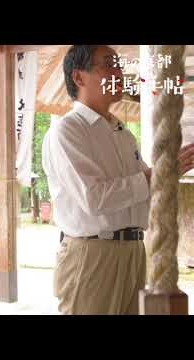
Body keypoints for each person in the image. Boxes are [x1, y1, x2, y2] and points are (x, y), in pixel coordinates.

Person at [42, 45, 194, 315]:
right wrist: (159, 173)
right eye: (109, 64)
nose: (119, 72)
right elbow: (95, 198)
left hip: (133, 252)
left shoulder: (122, 134)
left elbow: (145, 188)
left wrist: (169, 172)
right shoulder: (67, 130)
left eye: (119, 65)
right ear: (79, 77)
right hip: (92, 255)